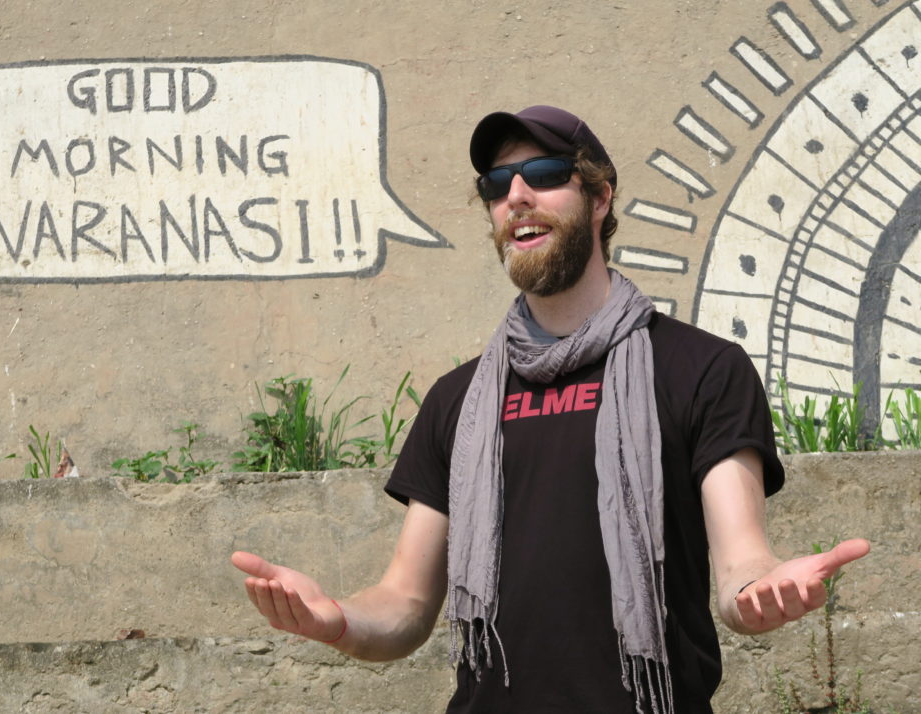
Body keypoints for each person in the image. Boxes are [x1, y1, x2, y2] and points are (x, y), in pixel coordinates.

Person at [231, 105, 870, 713]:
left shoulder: (701, 369)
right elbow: (404, 603)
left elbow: (740, 561)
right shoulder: (459, 400)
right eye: (496, 183)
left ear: (599, 197)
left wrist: (758, 591)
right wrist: (336, 620)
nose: (516, 196)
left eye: (542, 174)